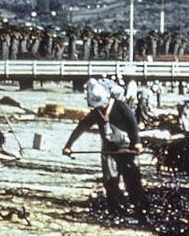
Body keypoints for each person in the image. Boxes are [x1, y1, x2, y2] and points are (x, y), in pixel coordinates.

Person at [63, 80, 150, 225]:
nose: (101, 107)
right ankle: (116, 212)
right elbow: (82, 126)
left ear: (107, 98)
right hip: (109, 150)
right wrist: (69, 145)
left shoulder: (121, 106)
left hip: (127, 148)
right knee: (110, 181)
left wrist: (137, 142)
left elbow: (132, 123)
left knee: (133, 182)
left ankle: (142, 213)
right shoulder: (96, 112)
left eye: (102, 104)